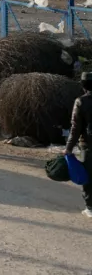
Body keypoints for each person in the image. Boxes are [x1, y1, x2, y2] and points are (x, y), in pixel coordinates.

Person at [65, 72, 92, 218]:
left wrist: (69, 148)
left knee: (89, 176)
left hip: (88, 145)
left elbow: (75, 128)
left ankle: (90, 207)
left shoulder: (81, 101)